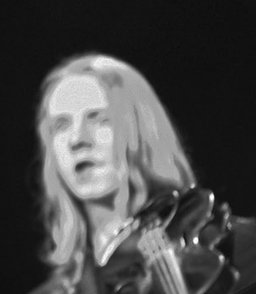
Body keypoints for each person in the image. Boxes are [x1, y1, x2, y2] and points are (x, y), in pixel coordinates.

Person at [29, 52, 256, 294]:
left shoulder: (240, 246)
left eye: (99, 119)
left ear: (141, 130)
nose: (77, 139)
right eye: (61, 126)